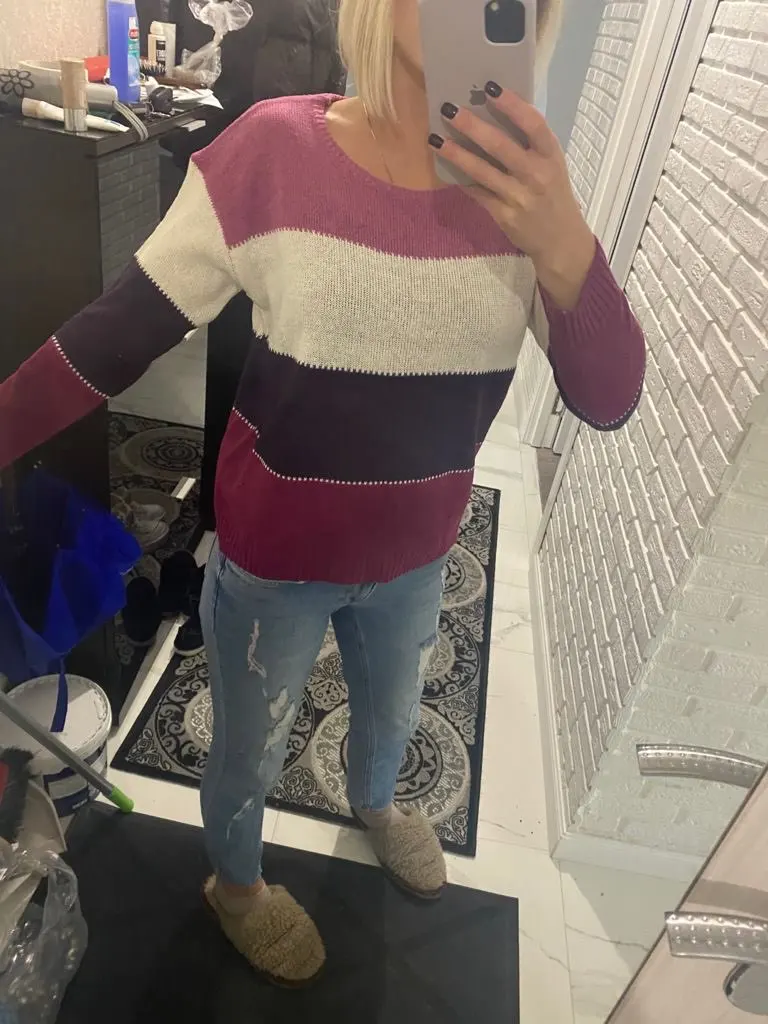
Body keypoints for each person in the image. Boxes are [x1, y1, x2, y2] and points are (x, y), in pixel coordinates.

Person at [0, 0, 645, 987]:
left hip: (419, 552)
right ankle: (236, 885)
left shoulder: (524, 192)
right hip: (276, 563)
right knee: (247, 752)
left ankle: (379, 802)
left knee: (392, 715)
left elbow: (607, 399)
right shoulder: (273, 151)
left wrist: (564, 242)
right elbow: (116, 331)